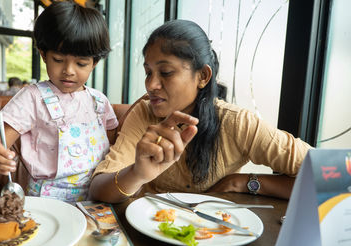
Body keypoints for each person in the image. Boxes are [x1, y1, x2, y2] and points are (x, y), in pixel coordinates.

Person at [88, 20, 313, 203]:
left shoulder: (237, 123)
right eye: (148, 72)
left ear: (203, 76)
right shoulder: (145, 114)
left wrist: (243, 182)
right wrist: (138, 173)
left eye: (165, 72)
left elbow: (330, 176)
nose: (151, 85)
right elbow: (98, 190)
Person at [0, 1, 118, 203]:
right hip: (47, 202)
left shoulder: (100, 102)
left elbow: (114, 151)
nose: (69, 70)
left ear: (94, 62)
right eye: (59, 59)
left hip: (95, 200)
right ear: (43, 54)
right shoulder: (32, 98)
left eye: (81, 63)